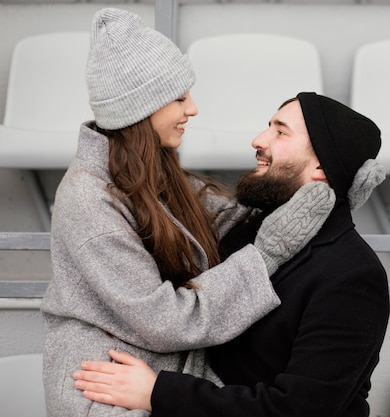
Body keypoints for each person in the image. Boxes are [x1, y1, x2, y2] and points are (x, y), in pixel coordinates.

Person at [41, 9, 335, 417]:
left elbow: (233, 222)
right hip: (107, 387)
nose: (193, 108)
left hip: (156, 368)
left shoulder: (151, 172)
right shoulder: (90, 202)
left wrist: (338, 189)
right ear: (141, 109)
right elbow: (165, 321)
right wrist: (265, 255)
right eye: (179, 98)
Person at [73, 92, 390, 417]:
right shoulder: (246, 233)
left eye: (280, 132)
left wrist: (158, 392)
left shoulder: (353, 274)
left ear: (322, 165)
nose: (258, 140)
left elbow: (296, 409)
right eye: (268, 126)